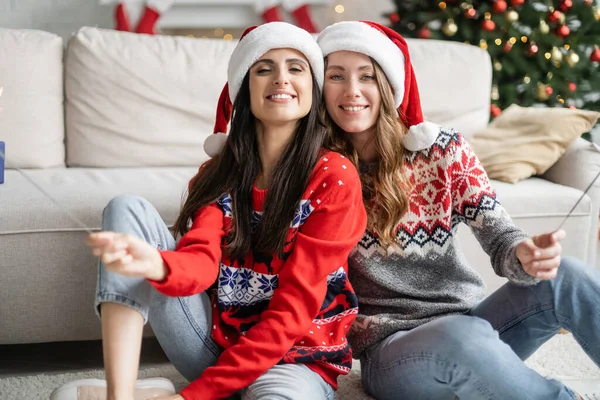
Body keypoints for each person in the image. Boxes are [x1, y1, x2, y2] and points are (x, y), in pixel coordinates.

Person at [51, 21, 367, 400]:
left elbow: (293, 312)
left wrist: (190, 397)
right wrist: (157, 264)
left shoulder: (334, 176)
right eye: (263, 69)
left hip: (294, 360)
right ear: (243, 90)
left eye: (295, 68)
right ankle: (121, 393)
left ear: (312, 92)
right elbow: (200, 261)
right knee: (126, 209)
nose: (280, 78)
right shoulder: (219, 173)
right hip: (213, 349)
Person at [316, 20, 600, 400]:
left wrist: (525, 254)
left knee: (566, 275)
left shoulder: (442, 149)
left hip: (473, 326)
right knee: (460, 336)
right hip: (392, 353)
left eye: (366, 76)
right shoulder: (317, 168)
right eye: (336, 75)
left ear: (387, 83)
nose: (352, 90)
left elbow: (500, 234)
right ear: (321, 86)